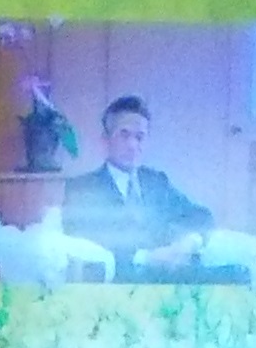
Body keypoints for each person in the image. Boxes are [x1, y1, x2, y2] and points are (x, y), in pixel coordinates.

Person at [58, 95, 215, 280]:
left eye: (140, 137)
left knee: (236, 274)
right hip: (117, 283)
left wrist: (190, 242)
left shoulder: (157, 182)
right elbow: (84, 241)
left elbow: (202, 216)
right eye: (124, 135)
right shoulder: (82, 188)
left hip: (166, 278)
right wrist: (146, 258)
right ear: (105, 140)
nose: (132, 145)